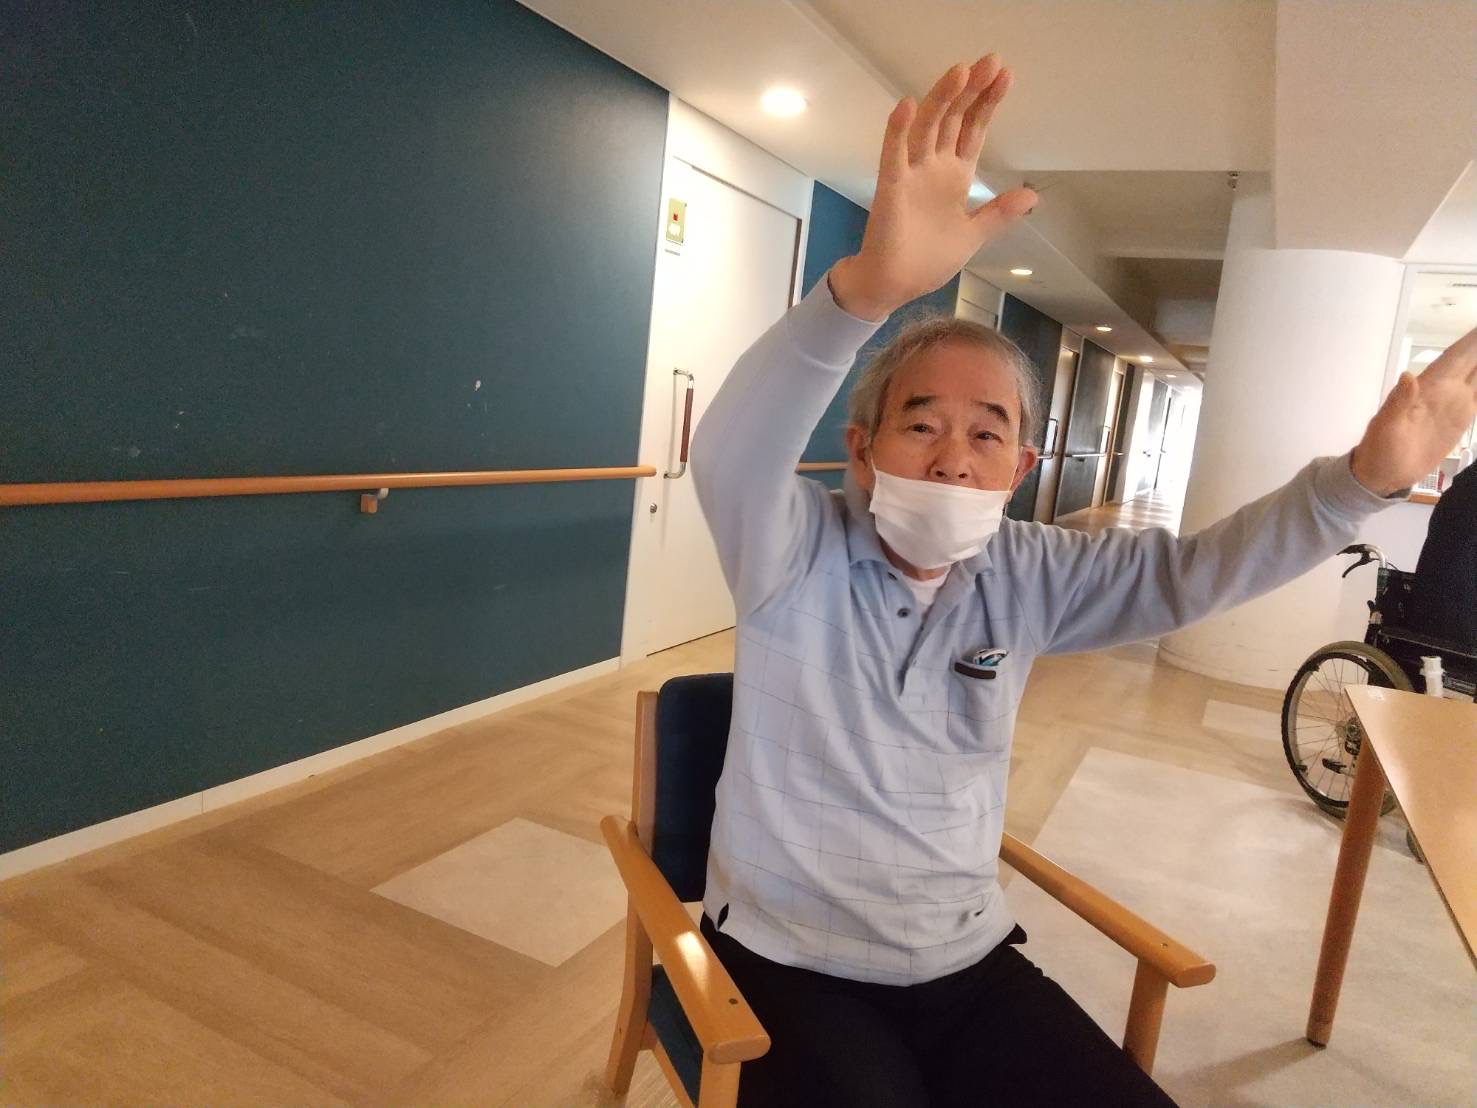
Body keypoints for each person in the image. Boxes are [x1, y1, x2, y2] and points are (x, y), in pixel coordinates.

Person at [688, 54, 1477, 1107]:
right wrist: (862, 296)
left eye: (985, 434)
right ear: (862, 451)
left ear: (1020, 470)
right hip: (787, 958)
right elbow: (730, 451)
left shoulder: (1032, 571)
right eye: (920, 425)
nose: (952, 458)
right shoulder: (789, 551)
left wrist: (1360, 484)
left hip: (962, 955)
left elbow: (1194, 574)